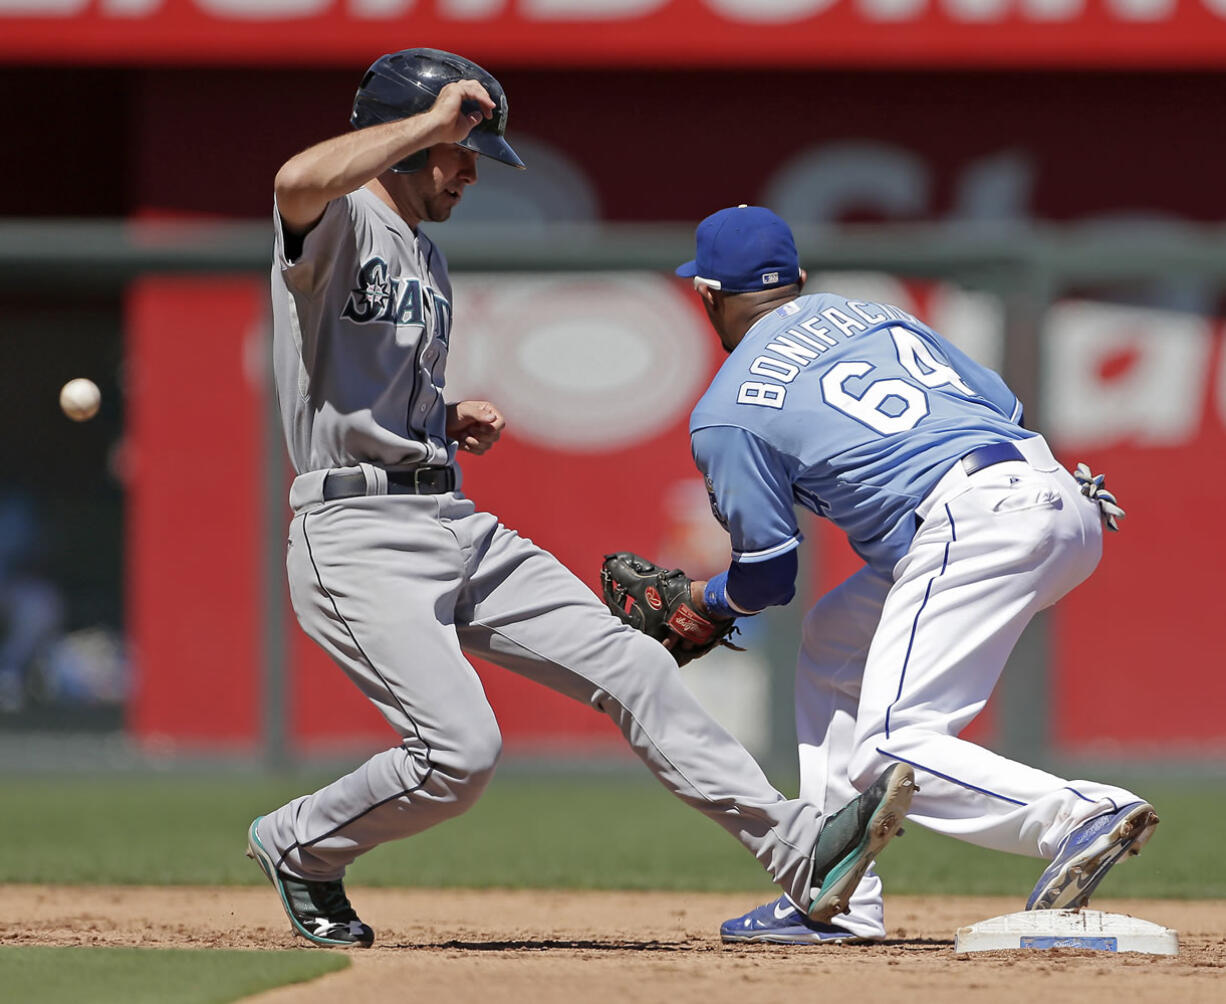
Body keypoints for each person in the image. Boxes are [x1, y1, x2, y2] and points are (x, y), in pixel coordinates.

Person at [248, 50, 916, 949]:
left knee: (636, 663)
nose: (471, 168)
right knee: (459, 756)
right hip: (355, 530)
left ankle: (800, 851)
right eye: (460, 150)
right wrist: (430, 122)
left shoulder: (427, 256)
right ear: (401, 140)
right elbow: (294, 179)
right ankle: (300, 844)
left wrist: (441, 416)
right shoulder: (337, 222)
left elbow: (347, 379)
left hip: (449, 516)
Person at [674, 205, 1158, 945]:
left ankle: (1078, 814)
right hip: (1057, 492)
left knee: (892, 741)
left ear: (706, 296)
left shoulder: (727, 411)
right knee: (834, 644)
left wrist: (706, 601)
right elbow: (1004, 408)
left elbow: (768, 575)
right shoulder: (869, 312)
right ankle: (833, 889)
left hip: (969, 522)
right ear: (799, 281)